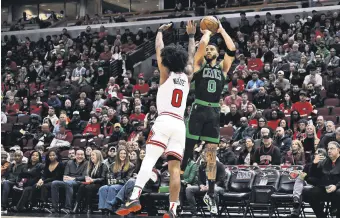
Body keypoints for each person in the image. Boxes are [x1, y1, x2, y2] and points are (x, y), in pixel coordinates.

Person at [116, 20, 196, 218]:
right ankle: (173, 208)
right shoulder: (188, 76)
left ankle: (135, 195)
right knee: (175, 169)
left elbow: (159, 49)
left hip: (164, 120)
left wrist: (159, 32)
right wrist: (192, 36)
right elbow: (192, 57)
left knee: (149, 159)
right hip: (179, 124)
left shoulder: (165, 73)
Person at [181, 19, 236, 215]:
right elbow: (199, 50)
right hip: (199, 108)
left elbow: (232, 49)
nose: (210, 51)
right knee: (189, 147)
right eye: (208, 49)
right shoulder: (198, 65)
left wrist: (220, 30)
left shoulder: (222, 69)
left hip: (214, 111)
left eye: (213, 49)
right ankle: (179, 182)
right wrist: (206, 34)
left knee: (212, 153)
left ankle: (210, 194)